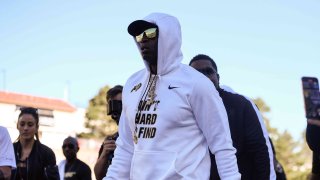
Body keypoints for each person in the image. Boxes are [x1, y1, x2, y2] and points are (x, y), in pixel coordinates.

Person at [104, 13, 240, 179]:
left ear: (169, 36)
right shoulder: (132, 84)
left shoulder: (196, 83)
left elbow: (222, 146)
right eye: (139, 36)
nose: (143, 40)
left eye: (151, 33)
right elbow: (126, 147)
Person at [190, 54, 275, 180]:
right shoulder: (182, 109)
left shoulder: (241, 104)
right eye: (197, 73)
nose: (204, 76)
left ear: (217, 77)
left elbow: (259, 150)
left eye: (208, 71)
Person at [11, 107, 59, 180]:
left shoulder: (47, 153)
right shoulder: (9, 150)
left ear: (37, 127)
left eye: (30, 125)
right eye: (22, 124)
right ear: (17, 126)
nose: (25, 128)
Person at [94, 85, 122, 180]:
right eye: (112, 106)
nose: (116, 111)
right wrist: (105, 153)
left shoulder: (142, 135)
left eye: (120, 104)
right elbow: (99, 176)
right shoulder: (111, 140)